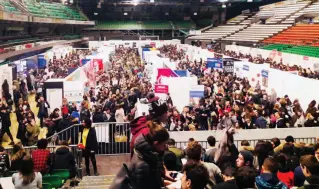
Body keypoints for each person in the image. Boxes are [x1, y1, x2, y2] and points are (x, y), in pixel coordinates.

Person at [110, 121, 170, 189]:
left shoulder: (144, 154)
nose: (166, 147)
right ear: (156, 143)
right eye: (164, 144)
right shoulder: (143, 165)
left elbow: (149, 181)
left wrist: (163, 182)